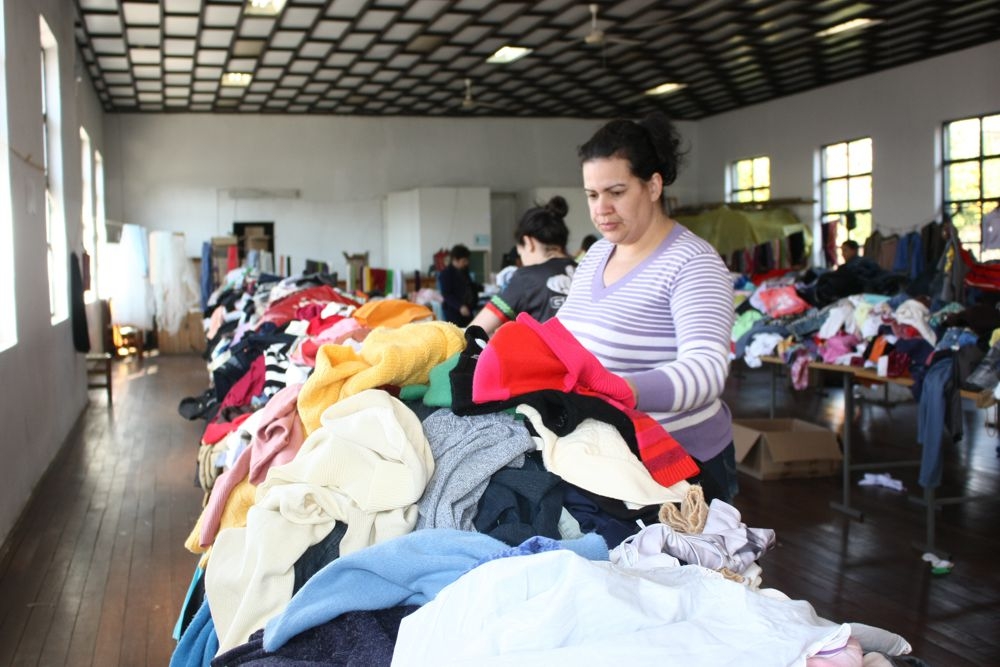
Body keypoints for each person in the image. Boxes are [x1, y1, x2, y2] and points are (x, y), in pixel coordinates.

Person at [556, 112, 738, 503]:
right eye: (592, 195)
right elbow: (569, 332)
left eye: (616, 192)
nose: (600, 208)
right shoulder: (597, 254)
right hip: (616, 456)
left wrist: (625, 389)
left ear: (653, 186)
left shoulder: (693, 264)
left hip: (683, 464)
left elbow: (706, 371)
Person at [469, 196, 576, 336]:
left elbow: (475, 330)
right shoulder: (586, 271)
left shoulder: (526, 277)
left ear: (528, 242)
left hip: (547, 357)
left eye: (520, 252)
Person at [437, 243, 480, 326]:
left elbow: (469, 286)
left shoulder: (464, 270)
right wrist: (460, 306)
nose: (466, 263)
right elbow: (447, 294)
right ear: (455, 260)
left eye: (467, 260)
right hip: (454, 312)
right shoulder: (446, 274)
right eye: (464, 261)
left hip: (468, 310)